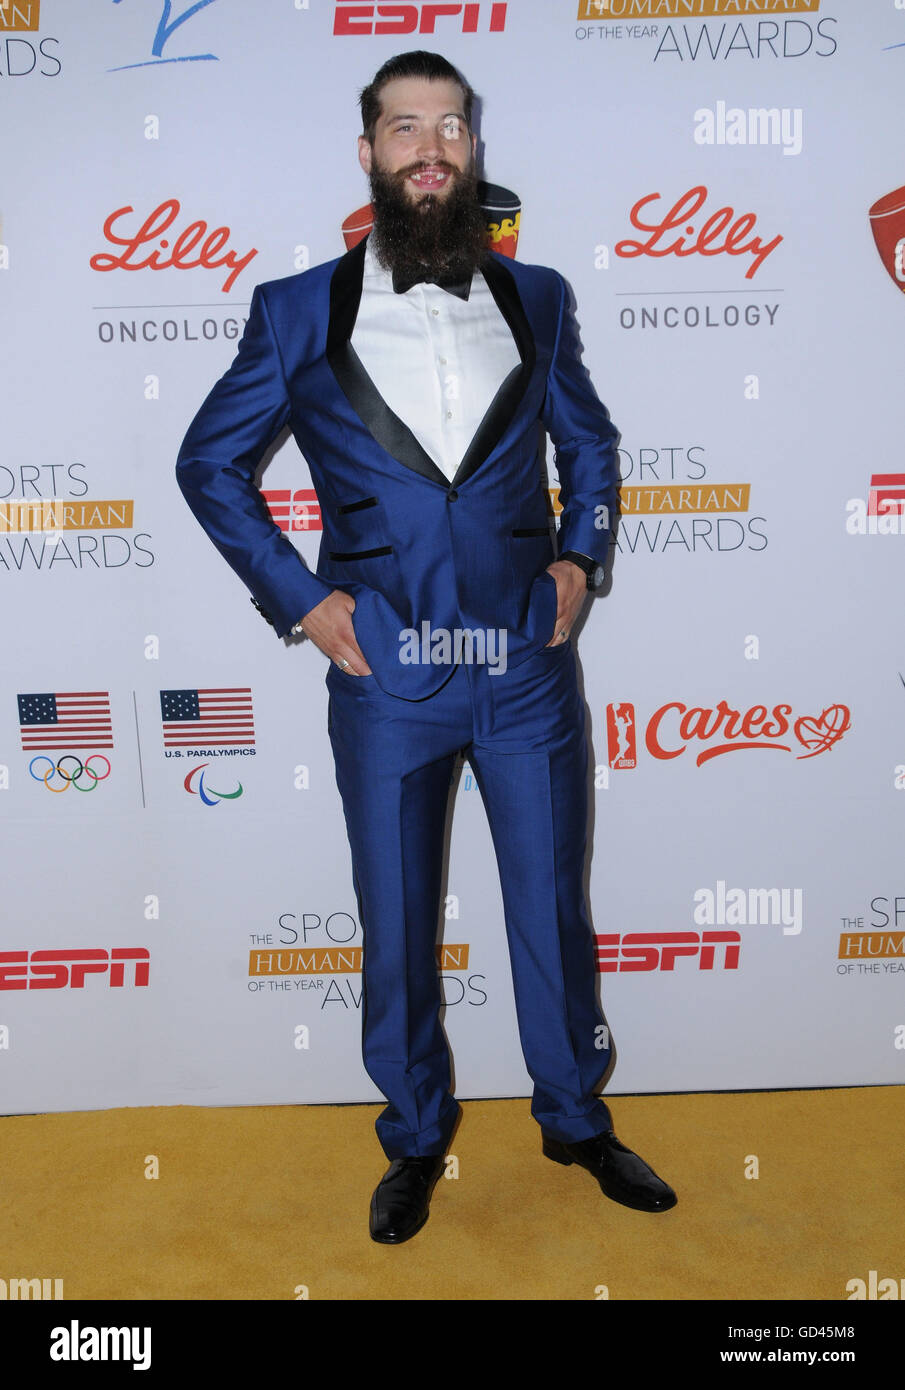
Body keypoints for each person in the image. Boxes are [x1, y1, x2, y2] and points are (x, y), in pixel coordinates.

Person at [176, 50, 676, 1243]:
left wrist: (577, 559)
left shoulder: (535, 296)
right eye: (406, 127)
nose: (431, 147)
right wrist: (301, 601)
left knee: (550, 906)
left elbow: (591, 448)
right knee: (395, 923)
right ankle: (412, 1136)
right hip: (386, 677)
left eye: (451, 126)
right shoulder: (296, 311)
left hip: (524, 669)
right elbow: (208, 465)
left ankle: (573, 1119)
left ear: (471, 149)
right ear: (367, 152)